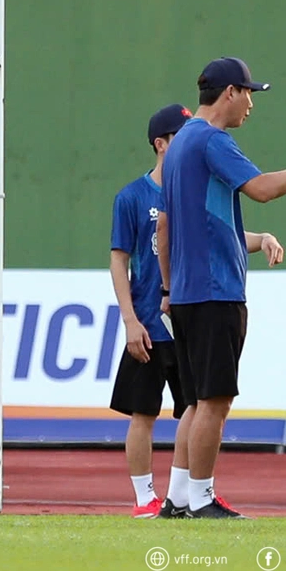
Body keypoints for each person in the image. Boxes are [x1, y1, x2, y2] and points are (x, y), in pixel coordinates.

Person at [158, 57, 286, 519]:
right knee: (215, 403)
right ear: (230, 92)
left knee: (194, 402)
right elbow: (262, 189)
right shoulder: (211, 140)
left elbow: (165, 229)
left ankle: (179, 496)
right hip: (215, 292)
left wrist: (168, 289)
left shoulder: (181, 142)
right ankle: (203, 500)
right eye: (249, 93)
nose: (251, 104)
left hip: (187, 294)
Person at [109, 103, 193, 519]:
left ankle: (191, 494)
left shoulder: (197, 191)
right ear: (161, 144)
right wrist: (130, 321)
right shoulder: (132, 197)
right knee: (143, 413)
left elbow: (225, 237)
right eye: (180, 136)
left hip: (189, 321)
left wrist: (262, 237)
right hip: (147, 321)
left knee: (196, 409)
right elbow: (119, 260)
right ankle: (145, 498)